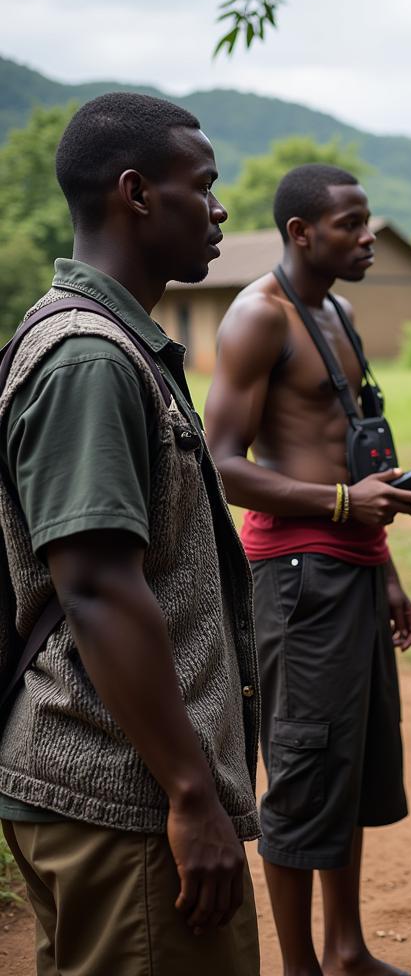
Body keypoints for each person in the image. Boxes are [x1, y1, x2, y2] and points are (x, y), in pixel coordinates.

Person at [0, 93, 260, 974]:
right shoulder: (89, 359)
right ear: (136, 193)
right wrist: (191, 796)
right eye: (205, 186)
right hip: (124, 797)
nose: (221, 209)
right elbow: (98, 586)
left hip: (118, 786)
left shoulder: (117, 345)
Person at [204, 163, 411, 976]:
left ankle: (345, 949)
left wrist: (388, 569)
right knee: (303, 770)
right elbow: (220, 465)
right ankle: (300, 968)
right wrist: (339, 506)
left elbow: (355, 452)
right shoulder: (258, 318)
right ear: (301, 232)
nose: (369, 236)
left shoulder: (339, 308)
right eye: (351, 224)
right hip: (299, 579)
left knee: (349, 764)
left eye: (368, 221)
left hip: (355, 568)